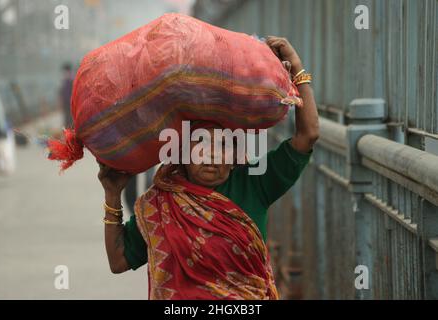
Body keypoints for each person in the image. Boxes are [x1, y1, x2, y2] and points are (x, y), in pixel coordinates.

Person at [98, 37, 319, 299]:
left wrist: (296, 67)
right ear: (181, 152)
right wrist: (112, 195)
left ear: (235, 153)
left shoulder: (254, 182)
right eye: (200, 144)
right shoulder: (160, 204)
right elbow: (119, 261)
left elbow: (308, 135)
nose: (211, 154)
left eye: (222, 145)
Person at [59, 63, 74, 128]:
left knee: (71, 119)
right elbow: (62, 92)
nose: (64, 73)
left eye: (65, 71)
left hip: (71, 103)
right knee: (67, 119)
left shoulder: (71, 79)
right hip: (66, 103)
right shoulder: (64, 80)